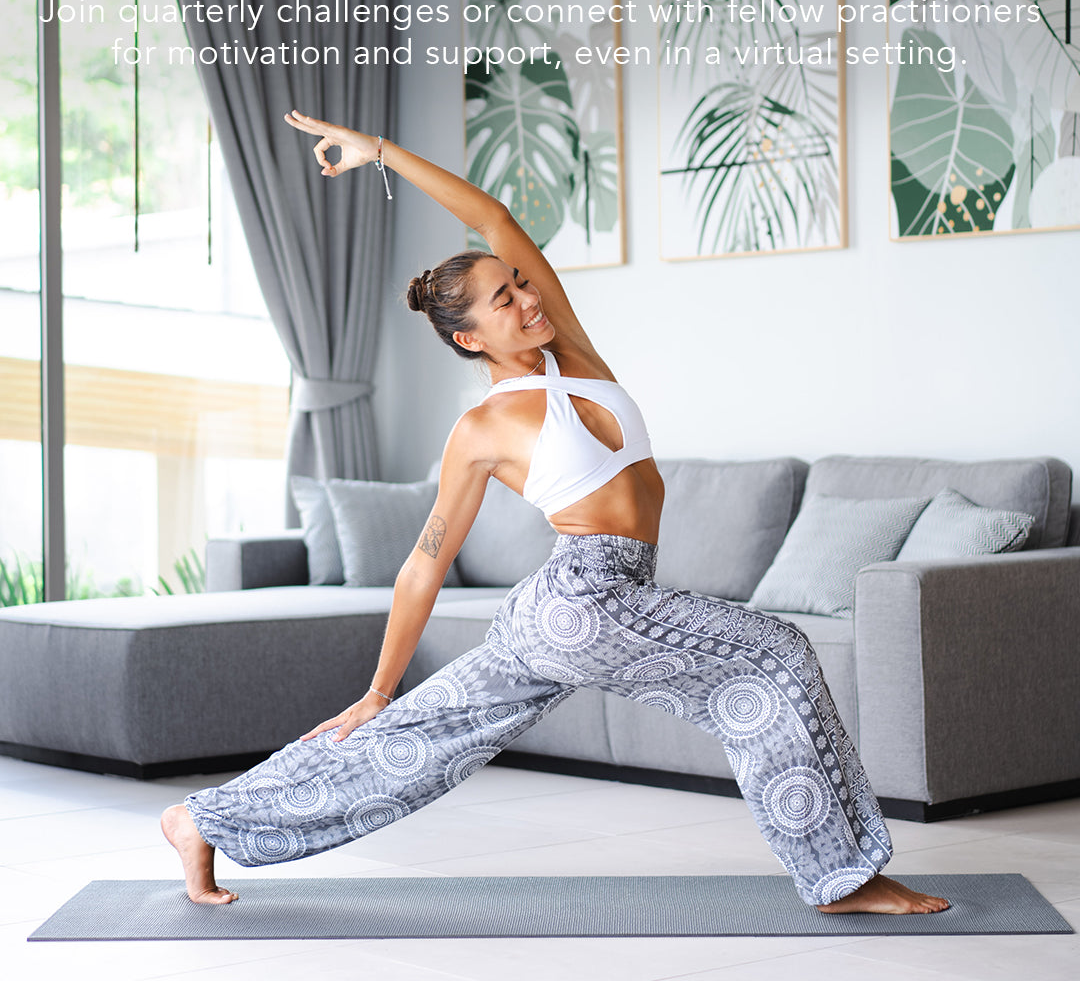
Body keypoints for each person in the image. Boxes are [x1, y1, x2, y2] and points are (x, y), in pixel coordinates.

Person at [162, 111, 949, 916]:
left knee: (421, 746)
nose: (527, 300)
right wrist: (379, 685)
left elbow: (494, 218)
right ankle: (845, 878)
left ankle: (204, 819)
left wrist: (382, 154)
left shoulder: (571, 349)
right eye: (504, 300)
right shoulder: (481, 430)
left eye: (522, 284)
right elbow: (426, 559)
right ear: (469, 338)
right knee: (775, 652)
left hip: (578, 607)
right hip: (584, 599)